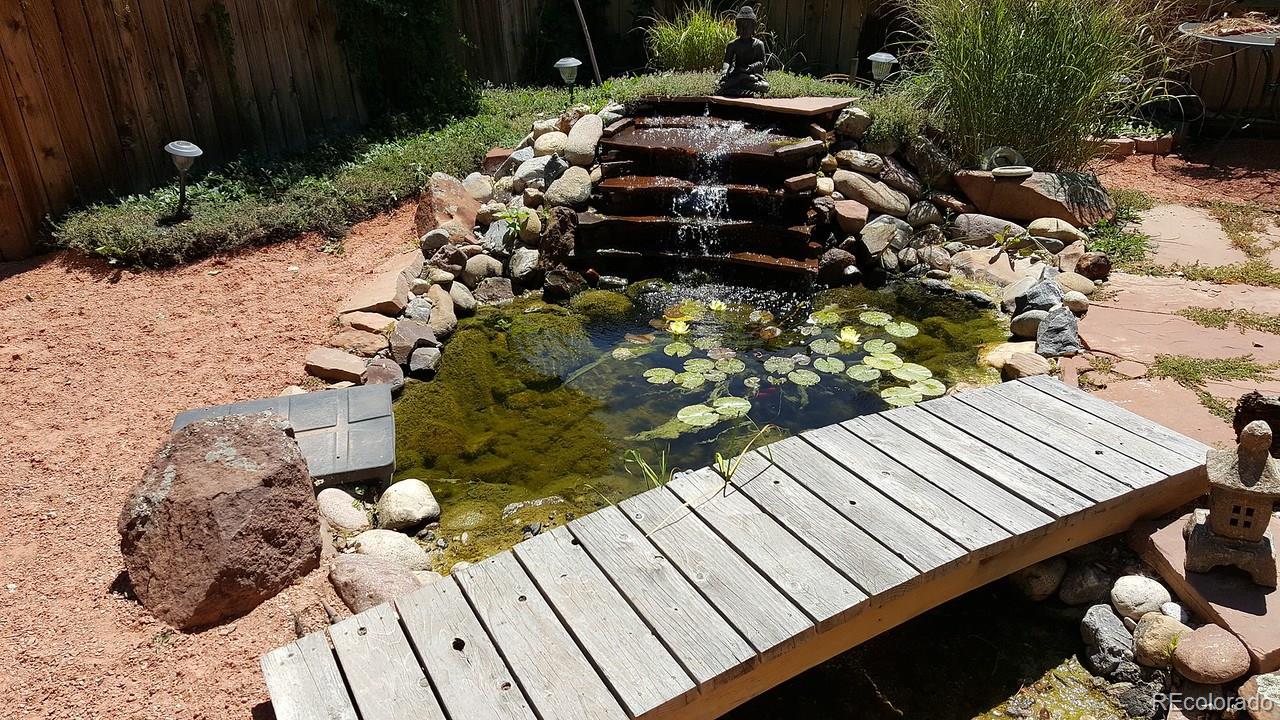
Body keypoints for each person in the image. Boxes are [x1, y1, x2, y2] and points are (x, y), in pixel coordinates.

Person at [717, 6, 770, 97]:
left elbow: (762, 61)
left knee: (765, 86)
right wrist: (725, 71)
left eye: (747, 26)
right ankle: (743, 84)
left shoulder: (758, 44)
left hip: (752, 76)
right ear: (737, 27)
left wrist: (751, 67)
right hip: (737, 74)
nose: (744, 29)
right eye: (741, 26)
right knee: (719, 85)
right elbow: (727, 61)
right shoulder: (733, 44)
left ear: (753, 27)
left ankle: (741, 84)